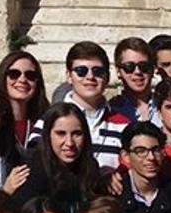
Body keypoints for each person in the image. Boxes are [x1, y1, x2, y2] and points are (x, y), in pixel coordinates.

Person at [16, 103, 103, 213]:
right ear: (48, 135)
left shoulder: (90, 168)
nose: (69, 143)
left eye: (77, 134)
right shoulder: (33, 171)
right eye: (61, 133)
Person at [28, 42, 129, 170]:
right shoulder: (47, 120)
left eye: (97, 71)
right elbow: (35, 165)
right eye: (81, 71)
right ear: (69, 77)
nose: (90, 77)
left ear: (107, 77)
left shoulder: (123, 125)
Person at [0, 50, 48, 153]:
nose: (22, 80)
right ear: (3, 77)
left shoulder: (46, 124)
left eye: (30, 75)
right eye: (14, 74)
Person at [109, 37, 159, 124]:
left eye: (144, 66)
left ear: (152, 69)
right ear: (118, 71)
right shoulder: (110, 110)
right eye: (129, 66)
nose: (137, 72)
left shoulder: (167, 105)